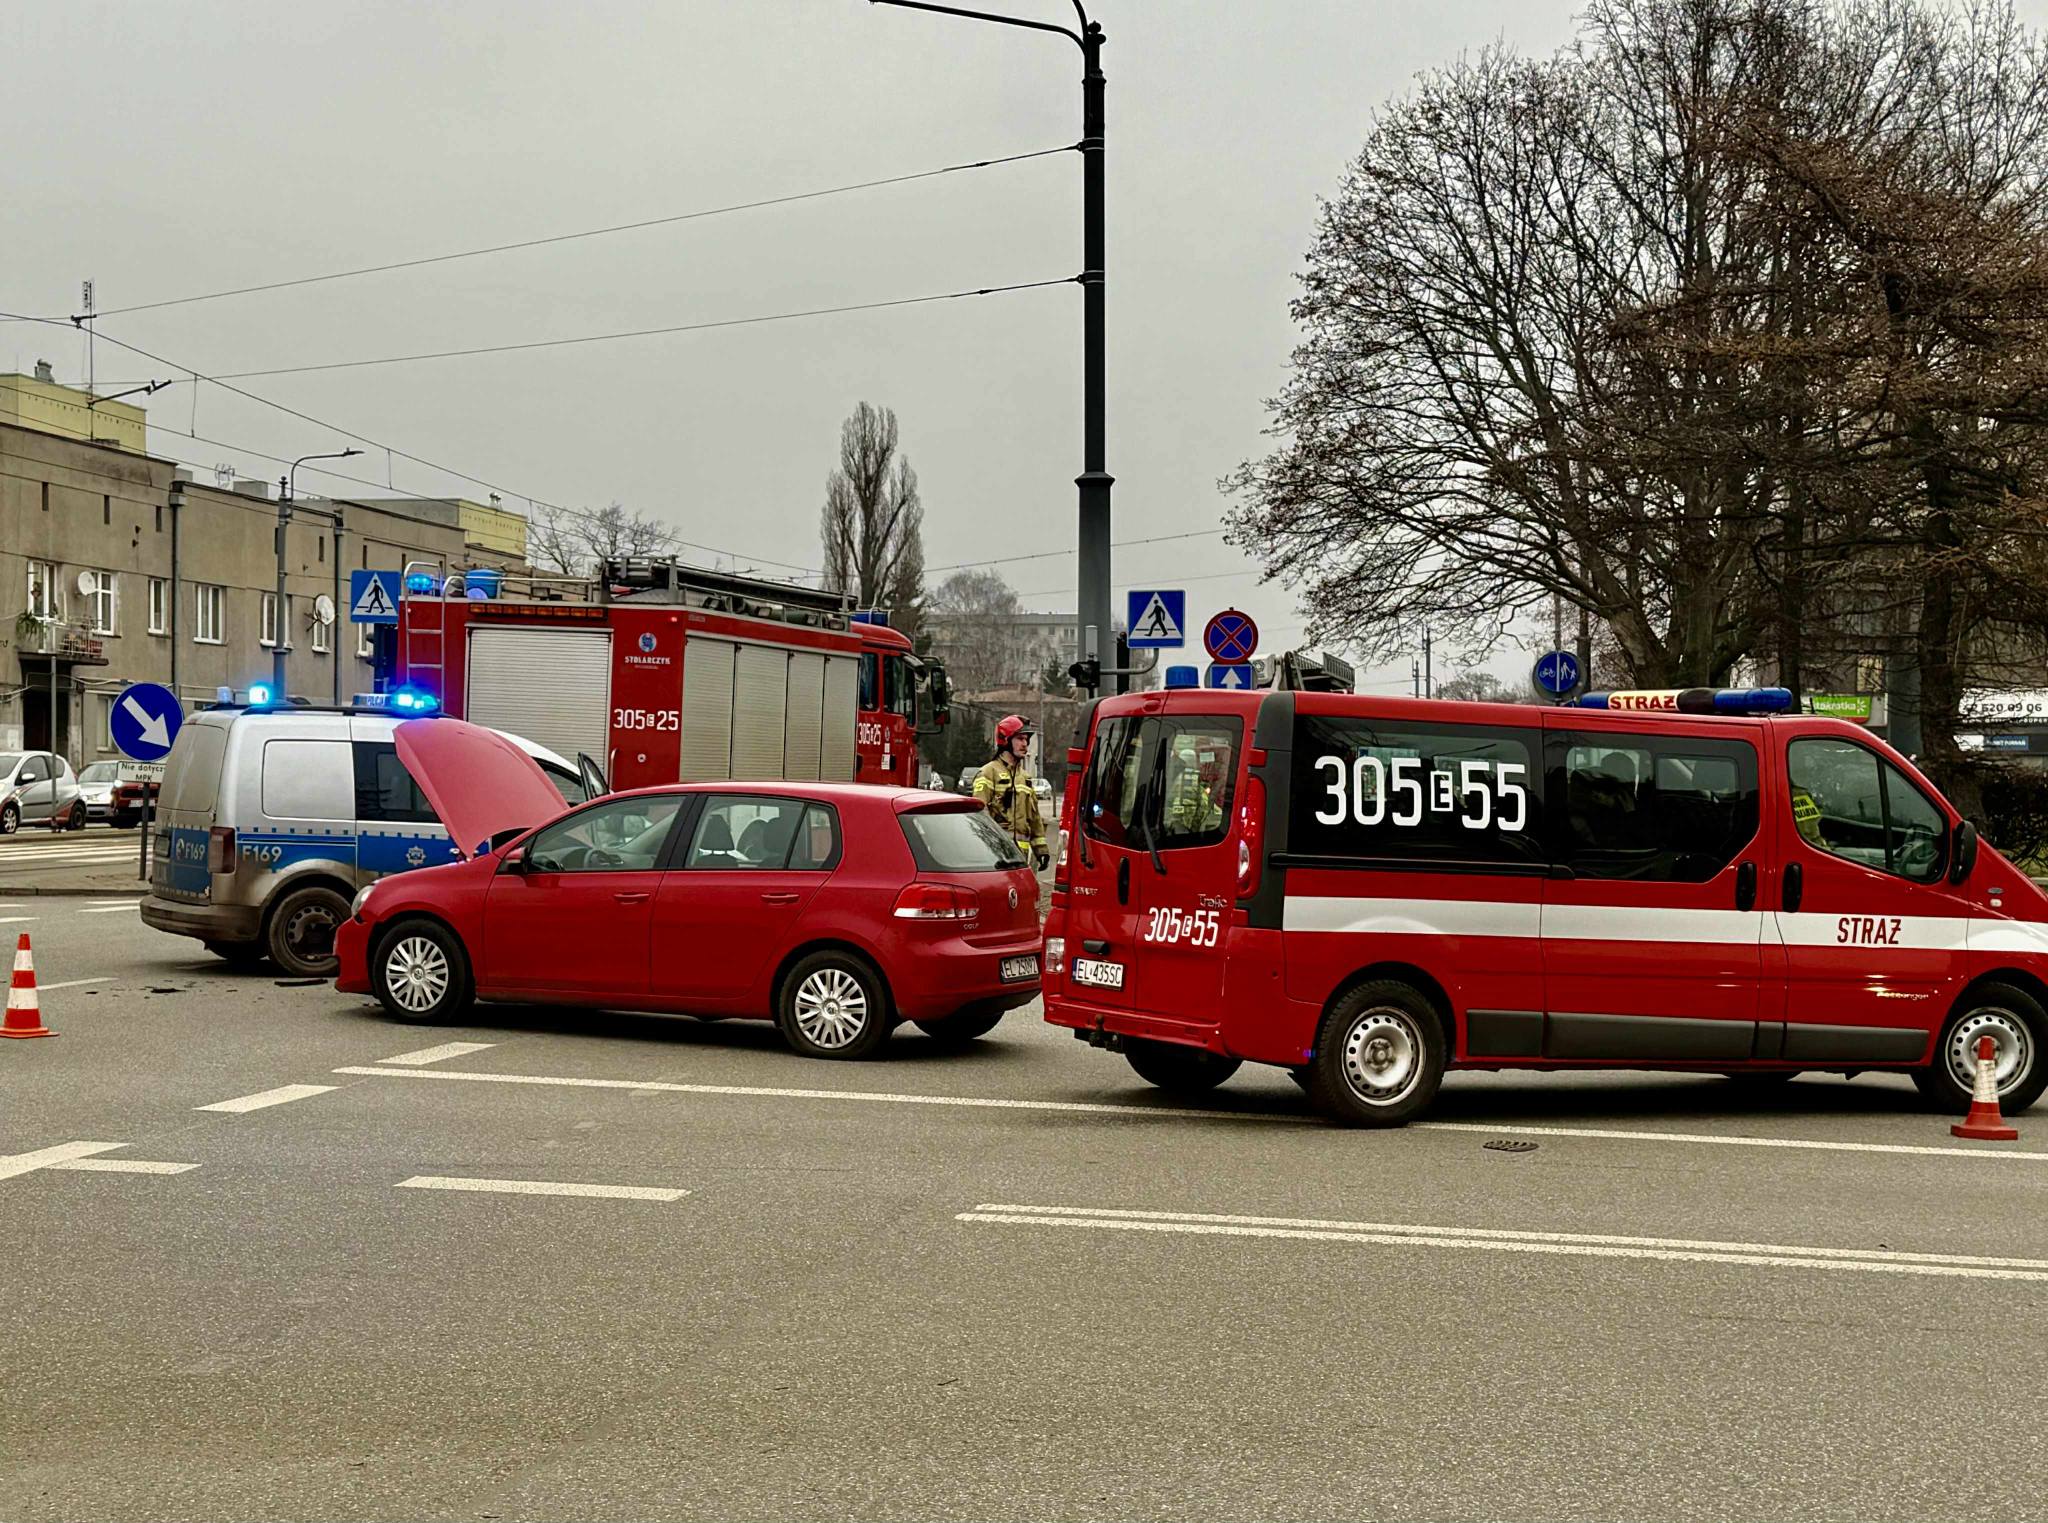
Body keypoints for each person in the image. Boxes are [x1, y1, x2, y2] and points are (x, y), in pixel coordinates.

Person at [974, 714, 1049, 870]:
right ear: (1005, 740)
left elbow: (1034, 818)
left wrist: (1041, 850)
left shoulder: (1025, 778)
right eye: (1020, 739)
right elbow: (979, 815)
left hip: (1022, 858)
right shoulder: (988, 772)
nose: (1025, 744)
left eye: (1026, 740)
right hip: (996, 856)